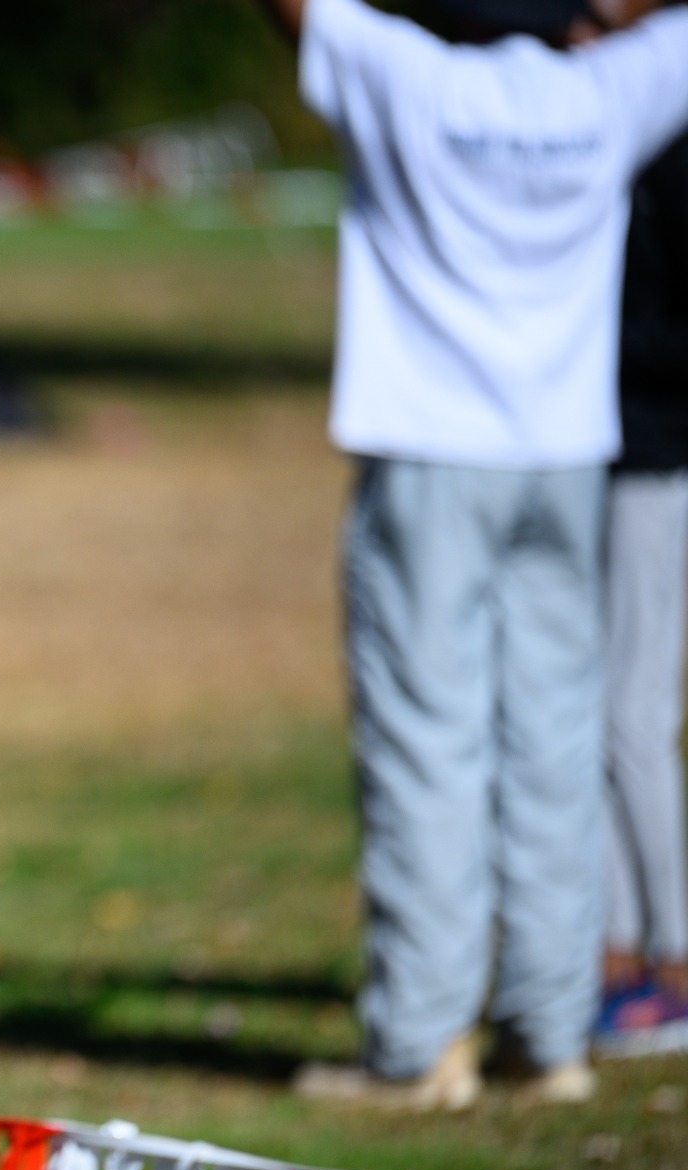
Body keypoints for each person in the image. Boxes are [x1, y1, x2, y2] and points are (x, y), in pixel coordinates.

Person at [254, 0, 688, 1109]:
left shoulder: (407, 73)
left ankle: (416, 1044)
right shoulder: (606, 87)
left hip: (432, 450)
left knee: (425, 745)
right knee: (555, 741)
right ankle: (548, 1037)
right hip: (564, 458)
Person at [599, 125, 688, 1046]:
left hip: (655, 459)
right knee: (591, 713)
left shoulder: (671, 148)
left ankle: (677, 956)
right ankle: (617, 950)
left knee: (635, 716)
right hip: (590, 458)